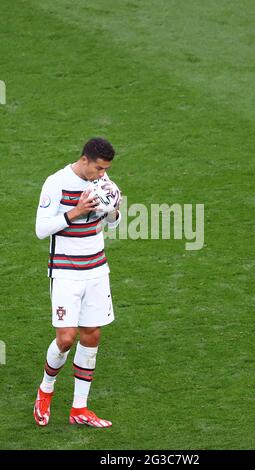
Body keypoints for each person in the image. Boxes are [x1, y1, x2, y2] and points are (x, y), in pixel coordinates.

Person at [34, 137, 121, 428]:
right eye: (98, 168)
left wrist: (113, 210)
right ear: (85, 160)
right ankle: (46, 390)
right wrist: (76, 211)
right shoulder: (56, 183)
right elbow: (41, 229)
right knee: (65, 338)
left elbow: (113, 223)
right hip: (66, 271)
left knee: (91, 334)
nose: (102, 174)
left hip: (96, 269)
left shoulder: (103, 181)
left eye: (105, 169)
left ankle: (79, 408)